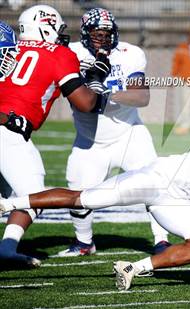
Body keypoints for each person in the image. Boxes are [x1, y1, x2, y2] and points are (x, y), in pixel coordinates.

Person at [0, 116, 190, 290]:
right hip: (158, 178)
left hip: (178, 201)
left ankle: (133, 268)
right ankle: (9, 204)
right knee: (83, 199)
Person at [0, 4, 110, 267]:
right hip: (10, 134)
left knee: (7, 191)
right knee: (33, 195)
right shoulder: (60, 54)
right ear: (46, 26)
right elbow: (85, 103)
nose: (61, 35)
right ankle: (6, 249)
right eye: (57, 29)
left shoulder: (12, 48)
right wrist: (96, 78)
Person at [58, 8, 170, 257]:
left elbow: (142, 96)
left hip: (129, 134)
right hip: (90, 141)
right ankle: (84, 242)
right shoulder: (70, 54)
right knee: (78, 192)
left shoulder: (130, 54)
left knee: (154, 184)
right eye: (98, 34)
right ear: (86, 34)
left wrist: (106, 95)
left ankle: (162, 240)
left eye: (108, 33)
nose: (104, 39)